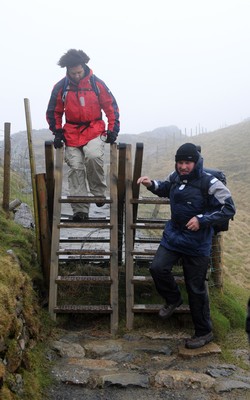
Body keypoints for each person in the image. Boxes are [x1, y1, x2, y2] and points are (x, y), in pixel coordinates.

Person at [137, 143, 236, 349]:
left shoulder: (210, 182)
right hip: (173, 236)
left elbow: (229, 208)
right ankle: (173, 299)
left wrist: (202, 219)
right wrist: (151, 184)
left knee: (196, 288)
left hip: (197, 244)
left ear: (195, 162)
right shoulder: (175, 177)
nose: (183, 166)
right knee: (157, 268)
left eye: (187, 162)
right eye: (180, 162)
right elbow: (166, 188)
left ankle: (204, 332)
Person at [46, 49, 120, 221]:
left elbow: (111, 107)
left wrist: (113, 129)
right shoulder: (61, 87)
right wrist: (57, 132)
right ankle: (80, 209)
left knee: (93, 156)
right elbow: (53, 111)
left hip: (94, 129)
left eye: (79, 72)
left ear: (84, 66)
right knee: (76, 168)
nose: (77, 75)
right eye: (73, 73)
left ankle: (98, 193)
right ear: (68, 70)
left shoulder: (97, 84)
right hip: (71, 133)